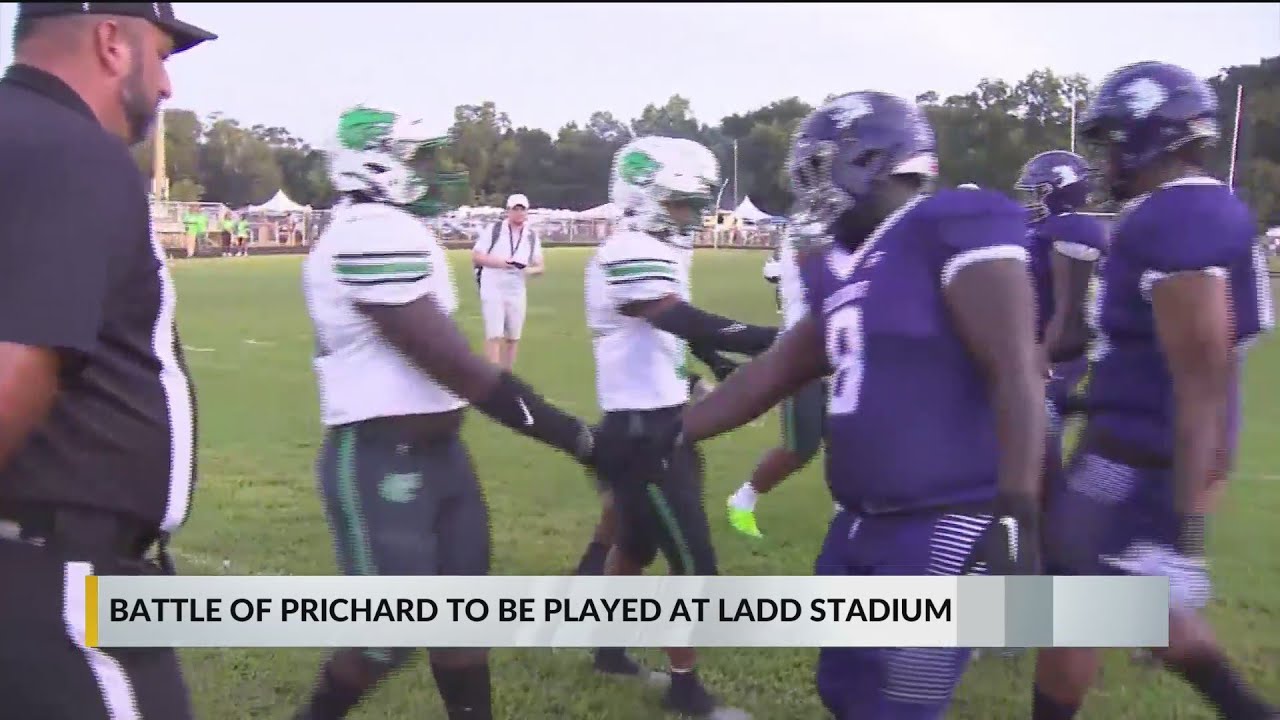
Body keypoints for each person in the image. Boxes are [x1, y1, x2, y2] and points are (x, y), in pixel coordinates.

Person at [662, 92, 1046, 718]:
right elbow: (779, 368)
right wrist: (672, 433)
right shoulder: (844, 264)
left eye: (818, 173)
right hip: (862, 520)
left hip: (945, 518)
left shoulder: (950, 225)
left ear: (870, 162)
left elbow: (1015, 367)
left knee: (898, 703)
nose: (810, 194)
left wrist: (1017, 513)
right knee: (843, 686)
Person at [295, 106, 606, 720]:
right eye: (423, 159)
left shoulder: (394, 229)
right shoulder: (366, 233)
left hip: (443, 457)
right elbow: (458, 367)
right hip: (380, 458)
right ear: (377, 164)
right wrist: (575, 437)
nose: (438, 171)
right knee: (384, 637)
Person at [1031, 61, 1278, 720]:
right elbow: (1162, 361)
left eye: (1116, 141)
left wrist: (1185, 535)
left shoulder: (1178, 220)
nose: (1108, 158)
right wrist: (1079, 399)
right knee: (1078, 603)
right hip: (1135, 441)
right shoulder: (1186, 211)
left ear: (1150, 135)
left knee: (1085, 605)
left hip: (1138, 461)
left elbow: (1202, 379)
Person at [0, 3, 215, 719]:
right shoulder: (72, 150)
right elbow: (16, 362)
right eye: (161, 54)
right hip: (58, 576)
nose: (166, 86)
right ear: (111, 43)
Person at [583, 135, 773, 718]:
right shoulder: (626, 250)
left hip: (659, 423)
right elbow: (676, 314)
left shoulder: (652, 250)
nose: (689, 215)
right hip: (645, 435)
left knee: (635, 548)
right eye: (677, 203)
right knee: (696, 568)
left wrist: (711, 363)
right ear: (644, 197)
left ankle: (607, 647)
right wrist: (774, 341)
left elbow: (669, 330)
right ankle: (685, 691)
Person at [726, 212, 831, 538]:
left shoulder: (832, 218)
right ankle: (743, 500)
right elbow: (819, 271)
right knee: (800, 445)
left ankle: (850, 511)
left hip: (841, 351)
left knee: (849, 440)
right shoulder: (809, 223)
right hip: (803, 354)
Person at [471, 193, 544, 370]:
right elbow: (477, 256)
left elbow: (540, 266)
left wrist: (528, 270)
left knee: (513, 336)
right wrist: (502, 263)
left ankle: (507, 378)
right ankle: (493, 379)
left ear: (527, 212)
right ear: (508, 211)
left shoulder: (531, 236)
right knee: (494, 334)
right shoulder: (495, 230)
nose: (519, 213)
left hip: (516, 288)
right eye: (515, 209)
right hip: (493, 286)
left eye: (522, 209)